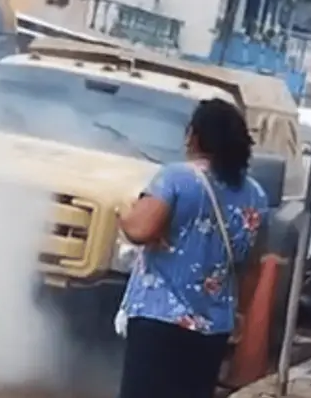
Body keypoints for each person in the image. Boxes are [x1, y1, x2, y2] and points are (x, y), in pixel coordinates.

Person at [115, 98, 269, 398]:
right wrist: (238, 313)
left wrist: (123, 212)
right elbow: (251, 267)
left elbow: (139, 229)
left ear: (195, 137)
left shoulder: (177, 177)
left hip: (158, 320)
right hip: (212, 329)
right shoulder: (257, 196)